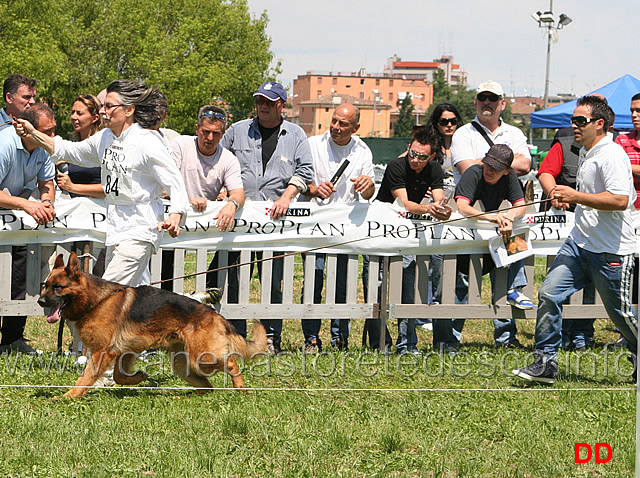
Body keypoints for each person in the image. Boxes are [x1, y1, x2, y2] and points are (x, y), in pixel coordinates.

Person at [15, 80, 189, 288]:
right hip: (115, 229)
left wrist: (177, 214)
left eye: (109, 106)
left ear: (129, 110)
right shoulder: (105, 137)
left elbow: (174, 181)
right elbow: (69, 151)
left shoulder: (147, 141)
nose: (103, 111)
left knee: (106, 296)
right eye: (103, 105)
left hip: (140, 229)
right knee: (124, 301)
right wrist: (32, 133)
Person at [513, 95, 638, 384]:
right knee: (548, 294)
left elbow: (620, 200)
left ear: (600, 124)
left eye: (580, 121)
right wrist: (563, 194)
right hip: (579, 243)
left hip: (611, 250)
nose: (574, 125)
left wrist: (575, 196)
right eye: (572, 119)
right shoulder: (586, 151)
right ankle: (545, 363)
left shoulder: (612, 155)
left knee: (620, 315)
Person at [220, 81, 313, 353]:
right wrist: (223, 192)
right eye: (260, 100)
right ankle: (236, 337)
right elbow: (219, 162)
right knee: (236, 279)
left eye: (269, 102)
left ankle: (271, 337)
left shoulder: (295, 135)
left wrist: (287, 195)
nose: (263, 106)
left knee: (273, 281)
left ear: (282, 105)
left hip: (276, 222)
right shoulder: (237, 131)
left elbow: (306, 171)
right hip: (239, 221)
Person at [436, 144, 528, 351]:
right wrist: (494, 218)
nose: (490, 170)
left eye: (496, 168)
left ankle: (507, 333)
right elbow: (463, 207)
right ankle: (448, 341)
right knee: (459, 288)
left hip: (495, 241)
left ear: (507, 170)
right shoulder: (473, 173)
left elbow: (521, 205)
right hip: (464, 240)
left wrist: (509, 218)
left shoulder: (510, 176)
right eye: (488, 164)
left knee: (512, 252)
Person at [299, 103, 375, 352]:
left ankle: (339, 337)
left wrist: (366, 186)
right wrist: (313, 188)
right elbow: (300, 180)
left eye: (343, 124)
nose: (336, 127)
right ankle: (311, 338)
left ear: (356, 127)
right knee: (314, 278)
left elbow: (370, 191)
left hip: (345, 227)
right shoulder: (312, 145)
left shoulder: (362, 151)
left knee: (342, 283)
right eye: (334, 121)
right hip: (315, 224)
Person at [371, 125, 452, 354]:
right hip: (381, 231)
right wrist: (429, 208)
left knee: (408, 288)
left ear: (432, 157)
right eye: (412, 154)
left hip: (408, 234)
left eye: (422, 157)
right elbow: (404, 204)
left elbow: (439, 198)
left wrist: (441, 207)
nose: (415, 160)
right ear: (408, 148)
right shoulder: (396, 166)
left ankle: (407, 344)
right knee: (376, 290)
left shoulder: (435, 169)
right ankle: (379, 343)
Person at [164, 105, 244, 320]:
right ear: (197, 128)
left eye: (216, 133)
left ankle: (205, 298)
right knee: (165, 274)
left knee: (229, 251)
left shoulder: (228, 158)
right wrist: (187, 201)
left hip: (206, 228)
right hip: (174, 221)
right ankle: (167, 314)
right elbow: (166, 183)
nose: (209, 137)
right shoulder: (180, 144)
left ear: (223, 134)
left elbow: (238, 192)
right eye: (205, 131)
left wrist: (232, 204)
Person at [0, 103, 56, 354]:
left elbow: (47, 183)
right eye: (46, 131)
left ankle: (12, 339)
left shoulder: (43, 148)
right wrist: (25, 203)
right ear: (25, 129)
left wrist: (46, 202)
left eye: (53, 131)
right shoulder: (4, 145)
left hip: (18, 222)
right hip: (12, 211)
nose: (51, 137)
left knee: (19, 277)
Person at [423, 104, 463, 332]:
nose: (449, 125)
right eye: (443, 121)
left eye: (453, 121)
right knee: (433, 259)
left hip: (459, 207)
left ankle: (447, 304)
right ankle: (431, 307)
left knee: (453, 261)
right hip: (434, 208)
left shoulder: (464, 144)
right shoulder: (430, 145)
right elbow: (409, 160)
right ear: (435, 123)